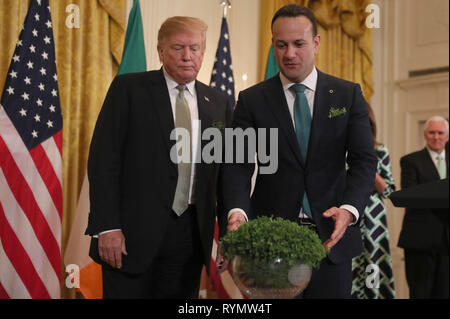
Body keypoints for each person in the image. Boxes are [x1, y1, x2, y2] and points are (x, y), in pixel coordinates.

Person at [216, 4, 377, 298]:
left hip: (331, 239)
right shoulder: (252, 100)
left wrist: (350, 209)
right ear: (273, 45)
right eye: (281, 45)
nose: (289, 53)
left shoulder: (347, 94)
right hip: (270, 243)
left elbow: (363, 161)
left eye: (299, 44)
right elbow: (236, 164)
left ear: (316, 43)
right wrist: (237, 210)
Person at [85, 16, 232, 298]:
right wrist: (107, 226)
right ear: (160, 51)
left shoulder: (218, 103)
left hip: (189, 240)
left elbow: (223, 175)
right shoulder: (128, 89)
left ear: (203, 51)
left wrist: (225, 233)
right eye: (178, 47)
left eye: (195, 48)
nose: (187, 56)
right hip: (128, 237)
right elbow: (104, 162)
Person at [398, 115, 449, 299]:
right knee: (421, 294)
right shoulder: (410, 161)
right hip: (420, 241)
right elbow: (412, 197)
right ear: (425, 134)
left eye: (440, 133)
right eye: (432, 132)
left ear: (447, 136)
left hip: (447, 244)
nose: (436, 137)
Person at [351, 104, 396, 299]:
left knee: (373, 264)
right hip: (348, 215)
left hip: (373, 218)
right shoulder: (340, 149)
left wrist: (369, 164)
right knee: (348, 266)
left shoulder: (380, 150)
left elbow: (388, 190)